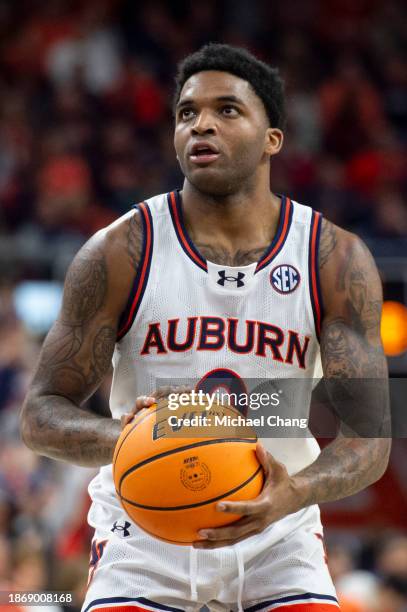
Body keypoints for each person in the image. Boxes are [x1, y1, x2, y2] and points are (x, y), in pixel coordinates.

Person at [21, 44, 390, 612]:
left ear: (273, 138)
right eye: (187, 113)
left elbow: (370, 439)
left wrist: (299, 490)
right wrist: (129, 438)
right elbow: (42, 412)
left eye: (227, 110)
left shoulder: (334, 259)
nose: (202, 125)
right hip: (143, 528)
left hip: (276, 528)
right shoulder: (121, 251)